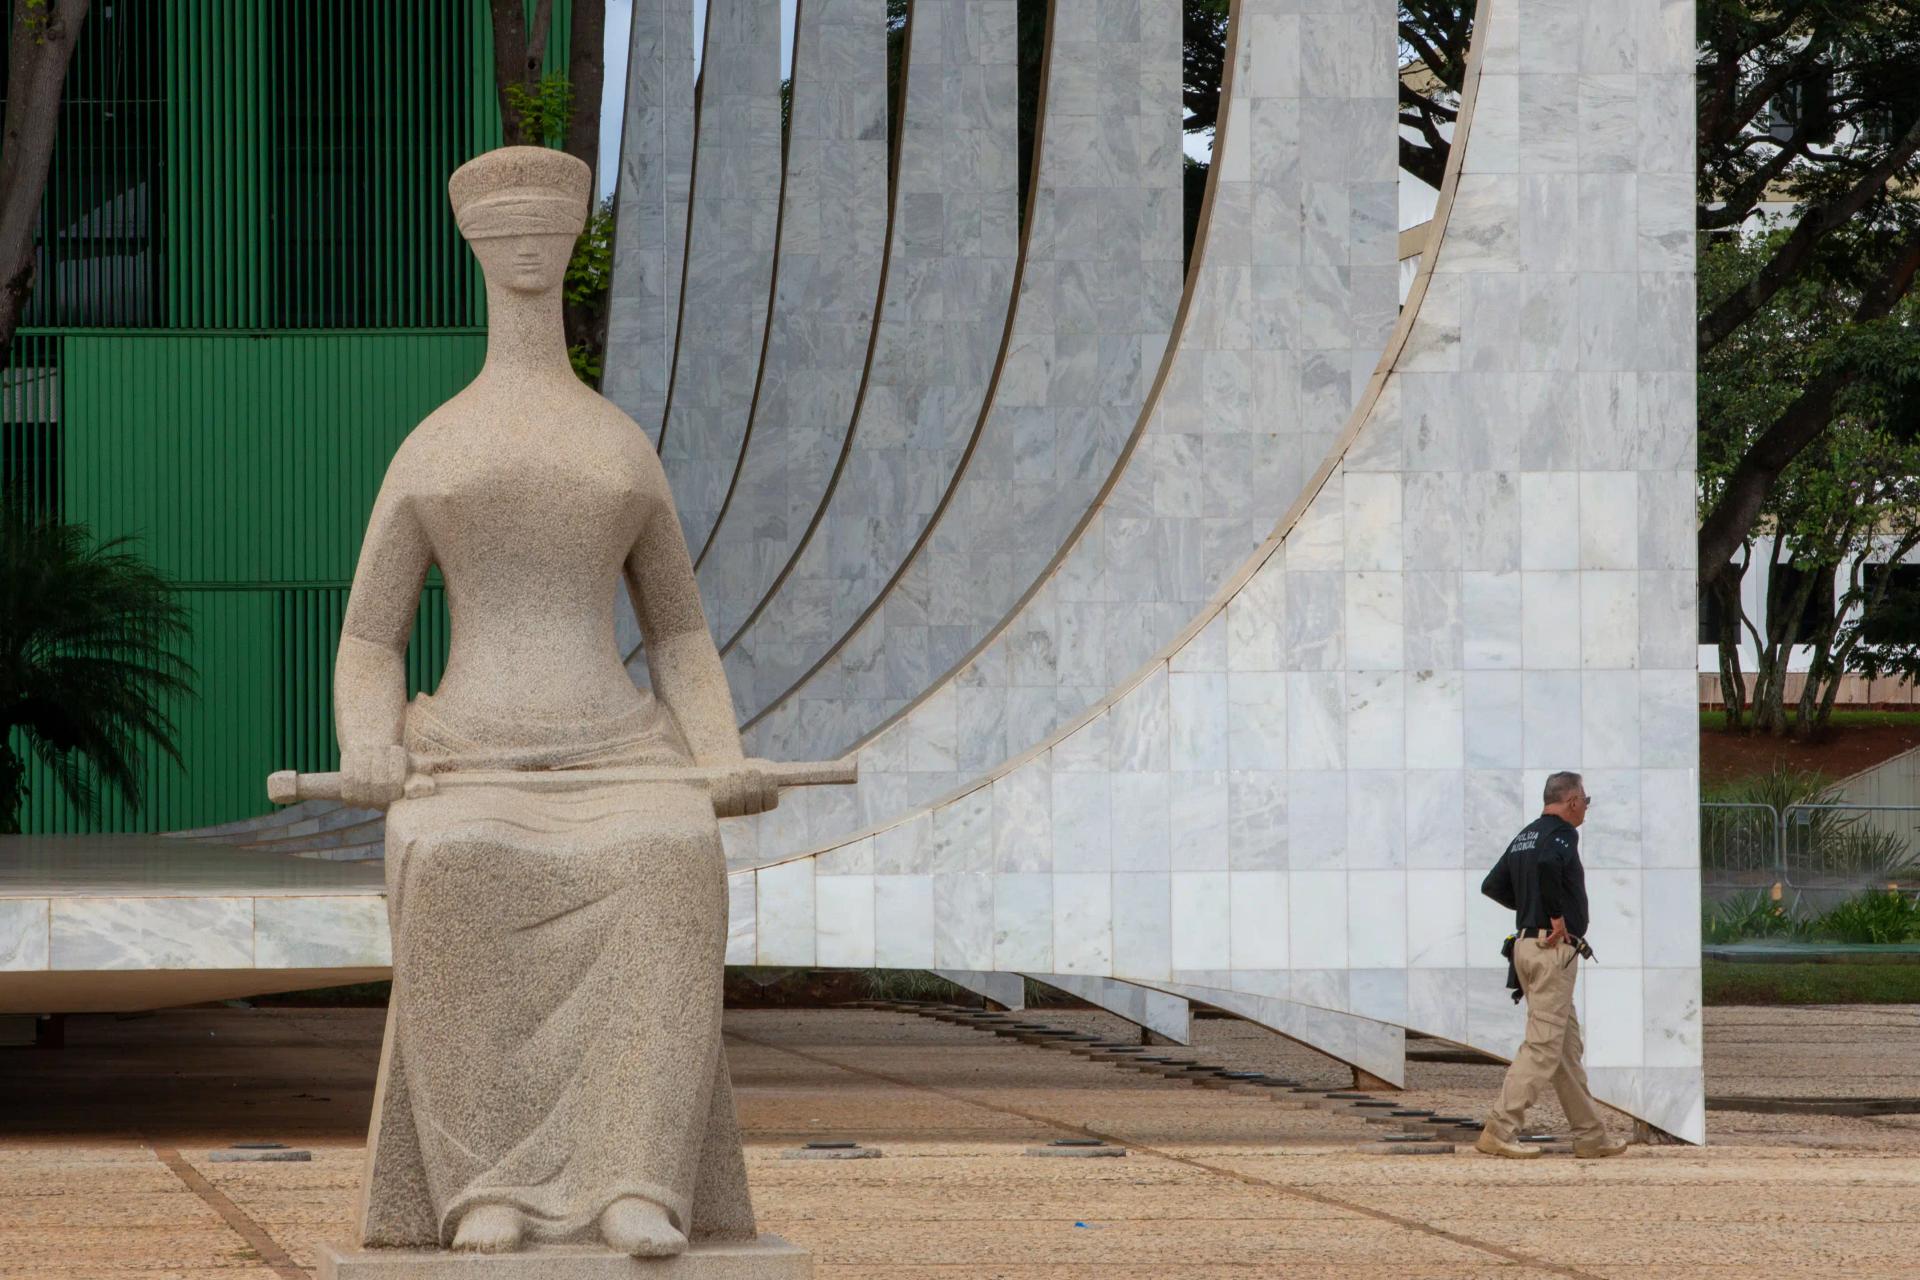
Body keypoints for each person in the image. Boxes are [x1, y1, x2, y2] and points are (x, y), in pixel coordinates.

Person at [336, 147, 770, 1258]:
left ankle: (638, 1178)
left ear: (569, 245)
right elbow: (369, 636)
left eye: (547, 232)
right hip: (469, 754)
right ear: (480, 250)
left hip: (618, 751)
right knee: (457, 861)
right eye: (506, 235)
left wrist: (717, 751)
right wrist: (367, 742)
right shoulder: (436, 444)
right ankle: (487, 1184)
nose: (527, 249)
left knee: (674, 857)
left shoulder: (617, 443)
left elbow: (676, 628)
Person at [1474, 771, 1628, 1160]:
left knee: (1564, 1048)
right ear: (1572, 800)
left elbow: (1492, 885)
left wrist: (1530, 908)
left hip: (1526, 946)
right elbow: (1546, 863)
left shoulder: (1526, 834)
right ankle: (1499, 1128)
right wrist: (1554, 916)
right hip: (1550, 950)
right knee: (1543, 1046)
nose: (1586, 810)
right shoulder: (1561, 834)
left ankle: (1590, 1136)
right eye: (1586, 802)